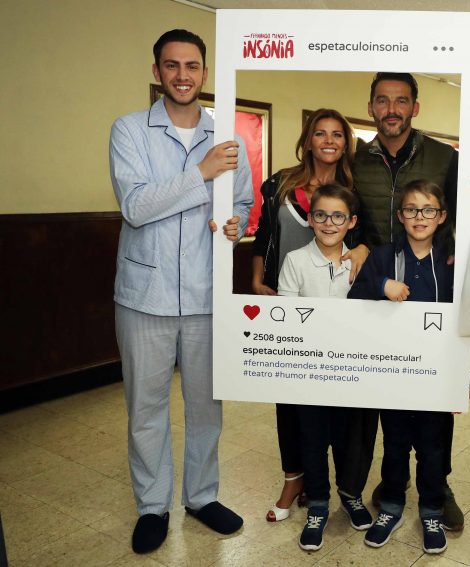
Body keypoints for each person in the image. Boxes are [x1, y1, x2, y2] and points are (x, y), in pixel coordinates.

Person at [109, 29, 253, 554]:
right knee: (145, 408)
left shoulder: (228, 137)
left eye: (192, 66)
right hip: (143, 296)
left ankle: (201, 496)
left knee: (206, 407)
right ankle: (152, 505)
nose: (182, 75)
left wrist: (236, 223)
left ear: (205, 73)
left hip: (205, 296)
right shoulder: (129, 130)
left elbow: (243, 203)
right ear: (157, 71)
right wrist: (201, 172)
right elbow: (136, 206)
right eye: (172, 65)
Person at [352, 72, 465, 532]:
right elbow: (347, 210)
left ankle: (439, 487)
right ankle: (392, 481)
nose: (392, 109)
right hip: (381, 287)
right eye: (382, 100)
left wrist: (455, 251)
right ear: (371, 107)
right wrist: (360, 250)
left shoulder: (444, 156)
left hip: (433, 281)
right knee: (391, 402)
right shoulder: (357, 160)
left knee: (436, 409)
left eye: (401, 101)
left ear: (415, 107)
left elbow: (462, 212)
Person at [251, 110, 371, 529]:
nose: (328, 140)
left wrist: (362, 250)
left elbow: (368, 237)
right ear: (307, 139)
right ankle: (294, 479)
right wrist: (257, 279)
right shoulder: (280, 183)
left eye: (337, 134)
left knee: (337, 408)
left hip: (339, 303)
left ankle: (343, 487)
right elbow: (264, 235)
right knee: (291, 399)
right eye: (320, 133)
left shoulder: (356, 189)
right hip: (287, 295)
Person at [349, 180, 454, 554]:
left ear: (441, 216)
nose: (419, 217)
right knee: (394, 444)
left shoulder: (451, 262)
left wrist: (462, 376)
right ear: (400, 215)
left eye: (428, 210)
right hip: (392, 373)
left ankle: (431, 511)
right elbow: (355, 295)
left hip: (436, 377)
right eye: (411, 209)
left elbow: (465, 321)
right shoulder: (383, 257)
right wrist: (382, 285)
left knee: (433, 448)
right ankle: (391, 506)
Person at [276, 183, 370, 551]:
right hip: (308, 374)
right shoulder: (295, 261)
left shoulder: (361, 263)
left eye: (338, 216)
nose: (329, 223)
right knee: (312, 440)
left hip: (351, 373)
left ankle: (350, 494)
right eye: (321, 215)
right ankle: (317, 503)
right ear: (311, 219)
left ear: (352, 222)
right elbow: (285, 317)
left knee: (350, 440)